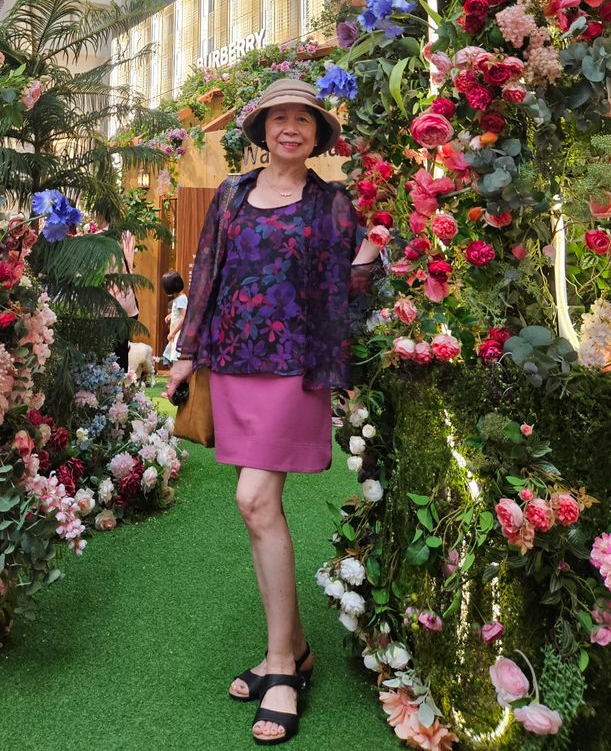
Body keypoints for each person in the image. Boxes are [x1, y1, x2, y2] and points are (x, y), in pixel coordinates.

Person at [165, 78, 380, 746]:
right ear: (262, 130)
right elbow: (206, 272)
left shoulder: (334, 203)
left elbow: (347, 284)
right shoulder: (230, 192)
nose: (291, 128)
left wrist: (370, 258)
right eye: (279, 118)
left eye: (303, 119)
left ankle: (284, 665)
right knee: (254, 508)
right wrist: (184, 351)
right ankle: (289, 649)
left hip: (296, 366)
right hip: (233, 361)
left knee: (257, 500)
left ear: (317, 133)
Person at [160, 270, 187, 367]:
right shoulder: (179, 299)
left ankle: (177, 379)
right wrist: (171, 315)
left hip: (178, 334)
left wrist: (173, 333)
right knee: (173, 355)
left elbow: (184, 317)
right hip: (176, 334)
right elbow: (179, 313)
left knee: (176, 357)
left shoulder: (181, 299)